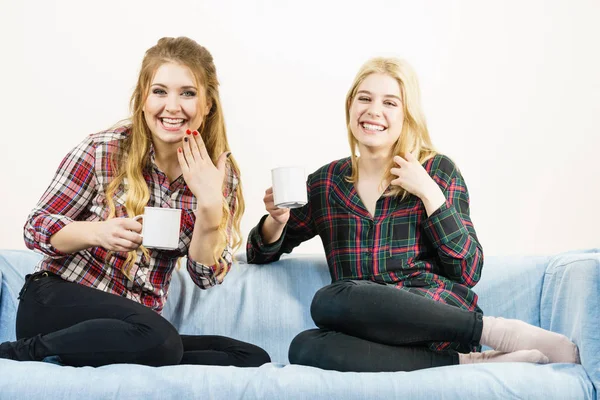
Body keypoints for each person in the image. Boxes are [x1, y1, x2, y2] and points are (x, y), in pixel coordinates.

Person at [246, 57, 579, 372]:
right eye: (364, 98)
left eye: (390, 102)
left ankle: (493, 332)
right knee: (304, 347)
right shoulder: (325, 184)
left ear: (407, 115)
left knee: (329, 300)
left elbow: (468, 270)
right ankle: (471, 364)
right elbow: (259, 253)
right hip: (369, 330)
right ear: (350, 107)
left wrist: (429, 192)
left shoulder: (437, 170)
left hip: (435, 316)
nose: (373, 111)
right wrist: (275, 222)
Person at [0, 37, 270, 368]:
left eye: (187, 93)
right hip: (55, 302)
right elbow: (35, 228)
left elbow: (205, 275)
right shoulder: (104, 150)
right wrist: (97, 232)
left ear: (207, 104)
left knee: (249, 356)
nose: (172, 106)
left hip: (132, 326)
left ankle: (135, 349)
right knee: (161, 339)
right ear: (143, 99)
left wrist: (211, 205)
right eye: (160, 91)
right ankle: (20, 351)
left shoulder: (218, 175)